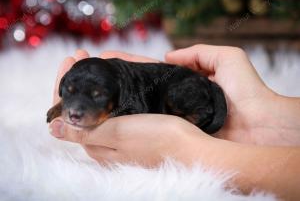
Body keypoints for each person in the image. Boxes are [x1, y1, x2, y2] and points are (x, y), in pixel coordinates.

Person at [49, 45, 300, 200]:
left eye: (97, 97)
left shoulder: (127, 91)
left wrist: (187, 148)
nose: (75, 111)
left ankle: (198, 117)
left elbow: (135, 109)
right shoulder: (96, 84)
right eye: (69, 93)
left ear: (118, 91)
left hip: (185, 87)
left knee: (181, 95)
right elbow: (77, 96)